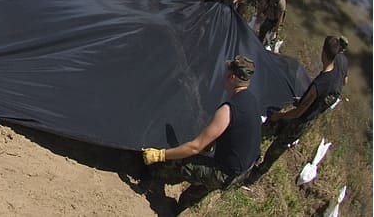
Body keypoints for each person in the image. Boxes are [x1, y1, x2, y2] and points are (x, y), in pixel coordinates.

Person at [142, 56, 260, 212]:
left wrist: (159, 155)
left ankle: (153, 176)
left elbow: (194, 147)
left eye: (227, 72)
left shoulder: (229, 110)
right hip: (243, 171)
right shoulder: (251, 101)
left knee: (181, 161)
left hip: (225, 172)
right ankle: (178, 209)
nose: (224, 75)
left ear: (232, 77)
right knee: (202, 184)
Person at [250, 36, 348, 180]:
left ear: (323, 52)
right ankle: (256, 153)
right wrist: (306, 101)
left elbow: (299, 112)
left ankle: (257, 172)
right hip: (310, 115)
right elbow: (344, 81)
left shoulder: (321, 83)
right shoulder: (342, 62)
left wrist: (280, 115)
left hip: (300, 121)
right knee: (271, 132)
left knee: (277, 147)